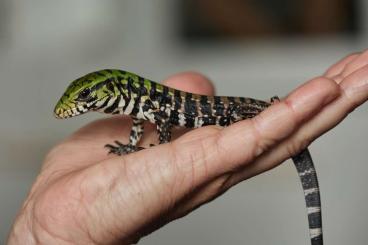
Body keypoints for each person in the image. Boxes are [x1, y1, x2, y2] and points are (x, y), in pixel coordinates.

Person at [7, 51, 368, 244]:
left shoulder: (148, 100)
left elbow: (160, 120)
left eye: (85, 96)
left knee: (271, 120)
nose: (76, 104)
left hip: (237, 110)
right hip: (227, 112)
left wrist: (161, 147)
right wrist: (134, 147)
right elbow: (147, 117)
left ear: (111, 89)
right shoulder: (140, 101)